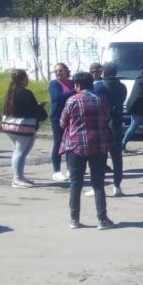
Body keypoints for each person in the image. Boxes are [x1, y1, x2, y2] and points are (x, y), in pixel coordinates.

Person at [59, 71, 114, 230]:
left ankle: (74, 219)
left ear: (77, 85)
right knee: (98, 183)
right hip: (99, 145)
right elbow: (107, 119)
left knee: (75, 183)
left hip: (76, 146)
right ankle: (102, 220)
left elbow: (63, 123)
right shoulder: (102, 100)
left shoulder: (72, 101)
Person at [1, 69, 47, 187]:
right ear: (22, 79)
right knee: (20, 152)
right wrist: (40, 108)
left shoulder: (11, 92)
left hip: (10, 126)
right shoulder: (26, 93)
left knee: (17, 152)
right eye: (26, 77)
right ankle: (17, 179)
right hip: (23, 126)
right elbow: (33, 109)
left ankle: (20, 176)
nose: (28, 80)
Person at [92, 63, 127, 196]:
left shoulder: (98, 86)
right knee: (117, 157)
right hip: (117, 123)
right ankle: (117, 186)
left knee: (99, 157)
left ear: (103, 73)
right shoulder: (122, 87)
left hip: (101, 124)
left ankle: (98, 186)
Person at [48, 63, 75, 180]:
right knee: (58, 143)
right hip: (57, 118)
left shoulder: (73, 83)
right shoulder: (54, 84)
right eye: (56, 71)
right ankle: (57, 171)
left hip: (73, 117)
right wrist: (74, 92)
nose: (58, 73)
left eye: (60, 70)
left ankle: (70, 169)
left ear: (67, 71)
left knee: (71, 144)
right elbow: (56, 97)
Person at [121, 66, 143, 153]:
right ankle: (122, 144)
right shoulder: (140, 81)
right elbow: (139, 94)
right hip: (138, 110)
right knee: (132, 128)